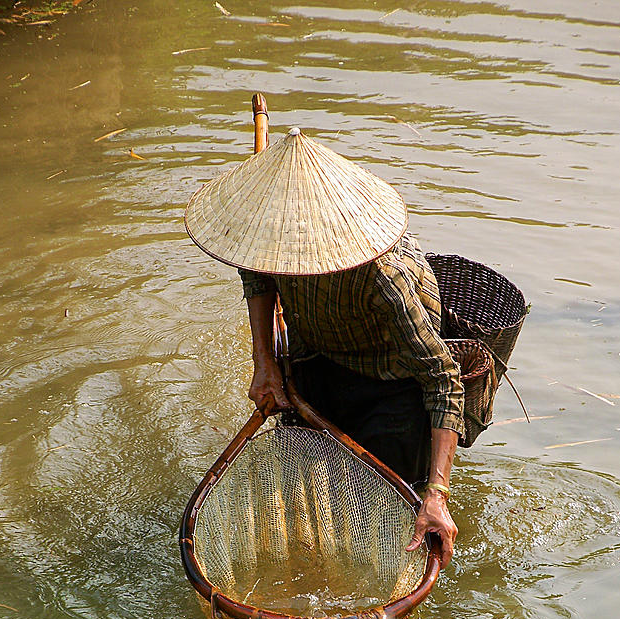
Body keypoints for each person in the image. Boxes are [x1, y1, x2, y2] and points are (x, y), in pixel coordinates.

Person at [185, 127, 464, 568]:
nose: (281, 260)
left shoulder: (383, 278)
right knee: (308, 497)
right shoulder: (268, 241)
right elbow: (256, 276)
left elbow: (443, 381)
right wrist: (266, 366)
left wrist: (437, 493)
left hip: (391, 382)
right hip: (317, 355)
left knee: (381, 518)